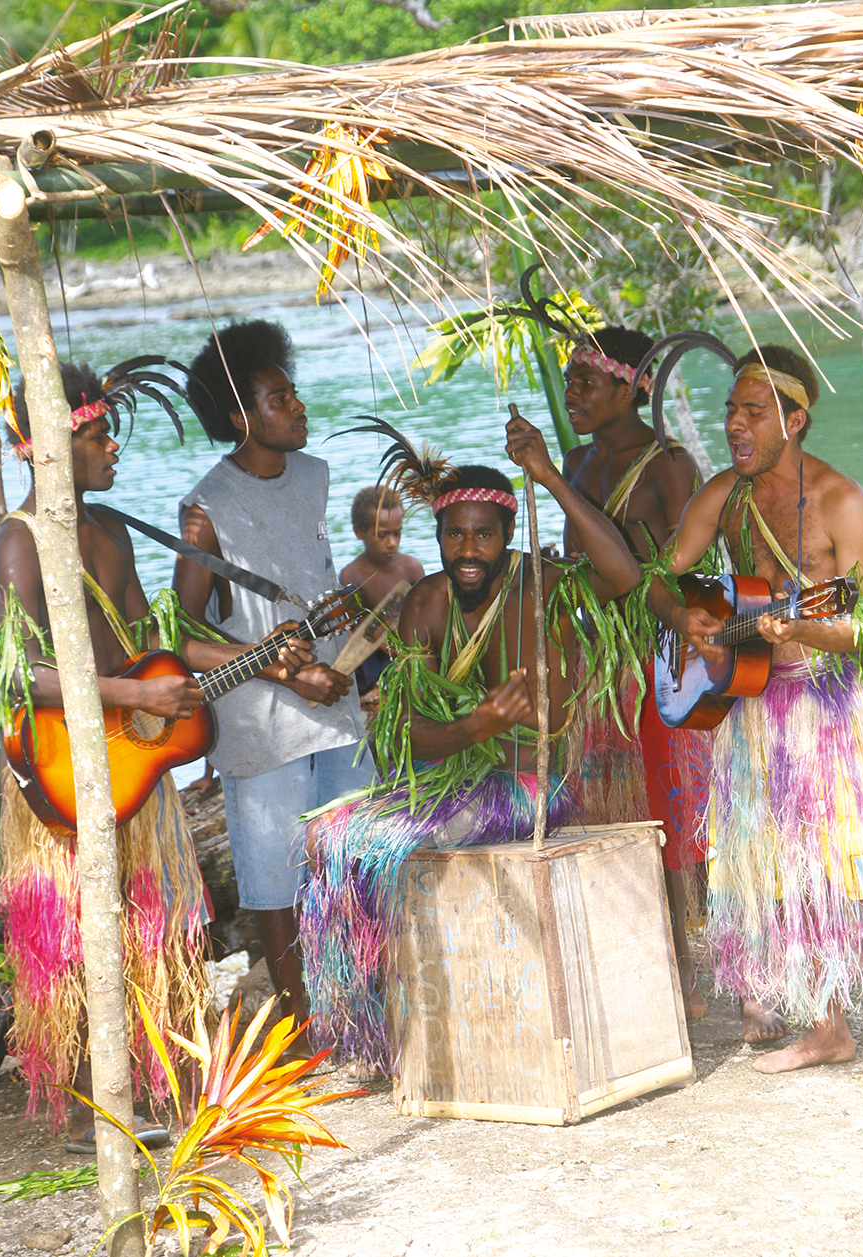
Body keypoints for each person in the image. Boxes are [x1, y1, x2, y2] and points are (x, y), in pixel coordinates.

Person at [0, 362, 312, 1148]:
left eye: (110, 433)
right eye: (98, 434)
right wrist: (134, 694)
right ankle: (88, 1104)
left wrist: (259, 658)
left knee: (149, 922)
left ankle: (148, 1078)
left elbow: (153, 646)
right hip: (64, 765)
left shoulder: (111, 531)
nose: (113, 448)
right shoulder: (20, 541)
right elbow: (21, 675)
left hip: (132, 765)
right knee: (73, 932)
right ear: (47, 447)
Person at [647, 342, 863, 1095]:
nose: (735, 423)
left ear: (796, 420)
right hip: (751, 707)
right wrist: (687, 616)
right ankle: (827, 1026)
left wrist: (804, 629)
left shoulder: (841, 502)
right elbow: (659, 575)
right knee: (784, 872)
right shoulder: (724, 496)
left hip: (827, 706)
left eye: (754, 412)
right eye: (731, 410)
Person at [300, 411, 641, 1069]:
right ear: (438, 536)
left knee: (371, 846)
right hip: (452, 783)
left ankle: (392, 1033)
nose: (468, 550)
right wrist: (474, 727)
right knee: (325, 838)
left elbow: (624, 576)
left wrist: (548, 476)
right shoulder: (426, 602)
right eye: (455, 534)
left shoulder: (543, 585)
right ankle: (372, 1027)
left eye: (485, 535)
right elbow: (403, 738)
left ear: (509, 535)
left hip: (530, 790)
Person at [175, 320, 374, 1050]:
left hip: (336, 702)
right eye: (278, 398)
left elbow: (307, 577)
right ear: (239, 416)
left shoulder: (315, 477)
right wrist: (285, 670)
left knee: (351, 856)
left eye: (293, 393)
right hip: (261, 720)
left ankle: (356, 1001)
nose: (298, 406)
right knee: (274, 879)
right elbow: (180, 634)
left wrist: (343, 616)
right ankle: (300, 1021)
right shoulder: (206, 509)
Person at [561, 326, 716, 1023]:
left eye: (586, 382)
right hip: (599, 662)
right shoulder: (572, 462)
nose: (572, 394)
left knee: (677, 809)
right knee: (616, 808)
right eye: (569, 381)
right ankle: (644, 961)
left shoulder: (668, 464)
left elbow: (691, 564)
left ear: (630, 390)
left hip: (661, 653)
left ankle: (699, 967)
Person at [339, 485, 424, 699]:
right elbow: (354, 627)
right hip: (374, 655)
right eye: (382, 535)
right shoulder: (352, 574)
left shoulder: (411, 568)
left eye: (397, 533)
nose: (392, 543)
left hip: (409, 646)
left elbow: (425, 614)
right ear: (359, 532)